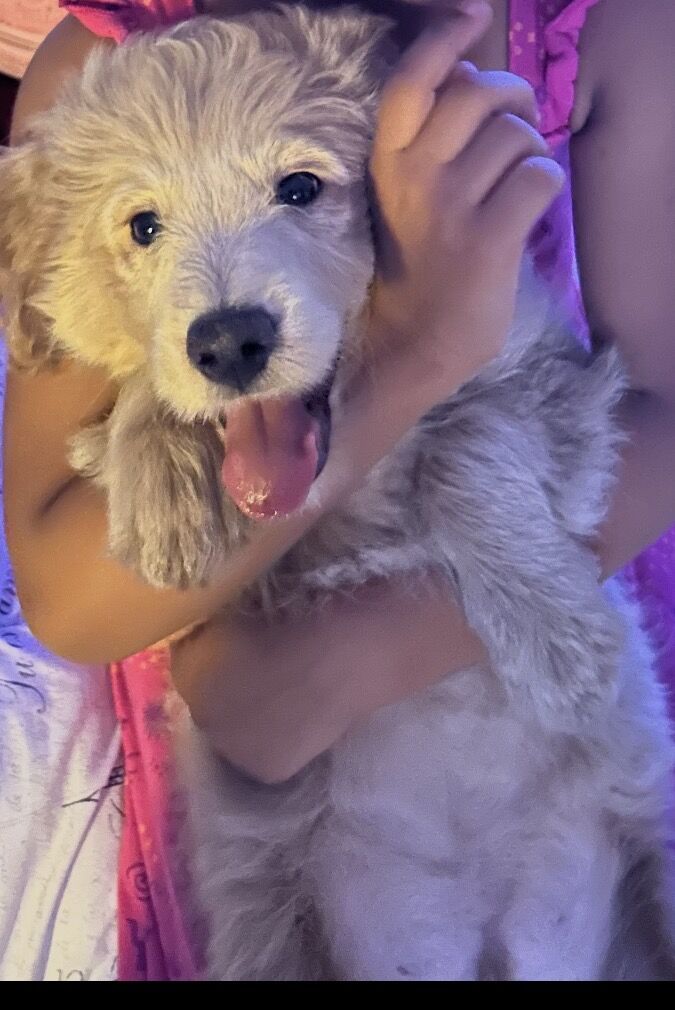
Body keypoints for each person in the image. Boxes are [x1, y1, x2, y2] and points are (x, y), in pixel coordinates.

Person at [2, 0, 674, 980]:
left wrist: (341, 659)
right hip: (297, 837)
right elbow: (68, 593)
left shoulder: (612, 27)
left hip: (559, 647)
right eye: (144, 223)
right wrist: (412, 355)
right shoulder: (102, 67)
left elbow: (665, 409)